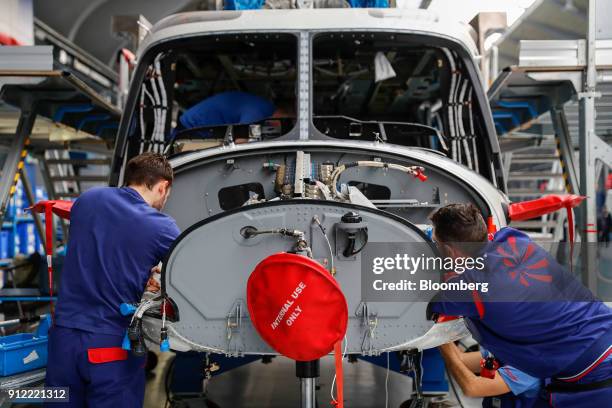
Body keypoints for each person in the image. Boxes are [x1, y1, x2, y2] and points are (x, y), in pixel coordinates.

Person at [426, 203, 612, 407]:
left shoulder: (472, 288)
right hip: (601, 335)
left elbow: (426, 302)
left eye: (437, 243)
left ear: (451, 252)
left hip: (594, 375)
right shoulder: (513, 239)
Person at [45, 152, 180, 407]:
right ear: (163, 186)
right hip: (109, 345)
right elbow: (186, 268)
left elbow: (103, 250)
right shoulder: (161, 225)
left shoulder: (87, 200)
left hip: (63, 341)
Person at [439, 342, 547, 408]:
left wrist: (441, 340)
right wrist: (441, 333)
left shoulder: (529, 367)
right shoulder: (506, 351)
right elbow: (462, 360)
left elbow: (472, 388)